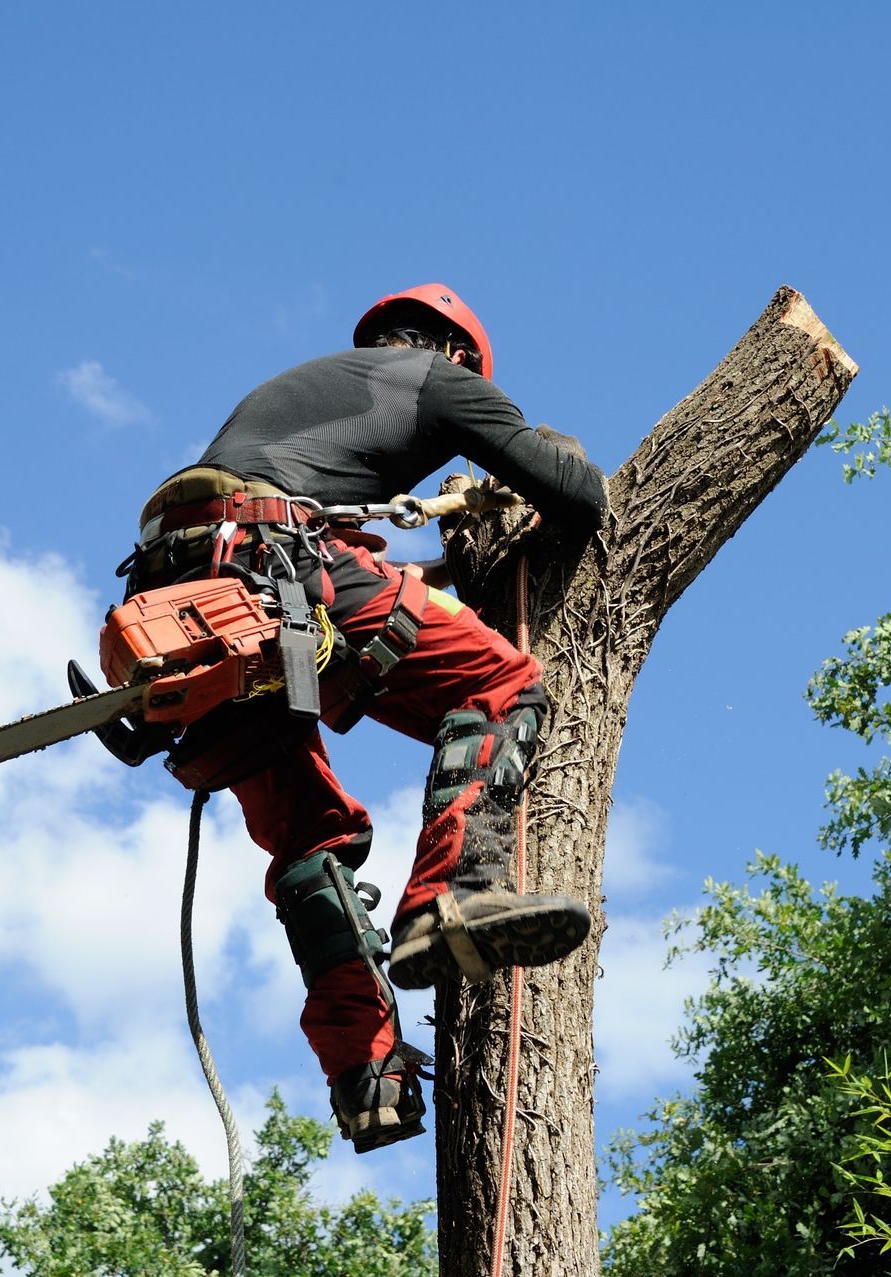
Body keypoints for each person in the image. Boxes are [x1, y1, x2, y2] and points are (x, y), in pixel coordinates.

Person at [123, 284, 607, 1153]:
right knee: (502, 683)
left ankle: (365, 1074)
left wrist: (446, 563)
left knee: (312, 841)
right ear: (455, 351)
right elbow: (575, 492)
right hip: (277, 565)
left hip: (188, 593)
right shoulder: (437, 377)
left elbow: (355, 548)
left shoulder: (307, 396)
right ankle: (452, 899)